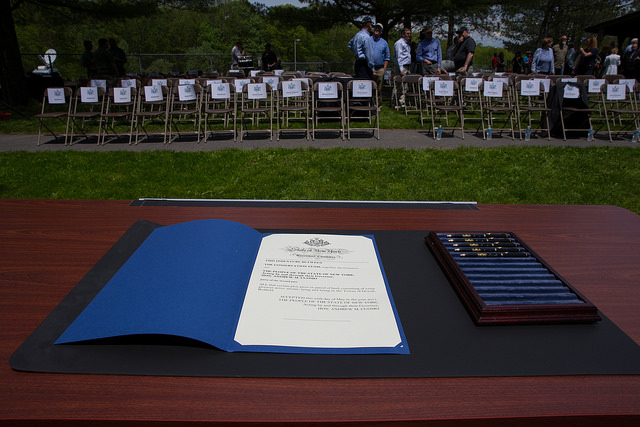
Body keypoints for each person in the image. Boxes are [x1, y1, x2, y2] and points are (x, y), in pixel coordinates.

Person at [369, 23, 390, 105]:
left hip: (380, 68)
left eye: (379, 29)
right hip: (370, 67)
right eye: (376, 28)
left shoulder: (384, 43)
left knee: (379, 88)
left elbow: (387, 57)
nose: (377, 30)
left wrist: (384, 69)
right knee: (370, 86)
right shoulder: (368, 40)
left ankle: (378, 104)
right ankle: (370, 103)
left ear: (381, 31)